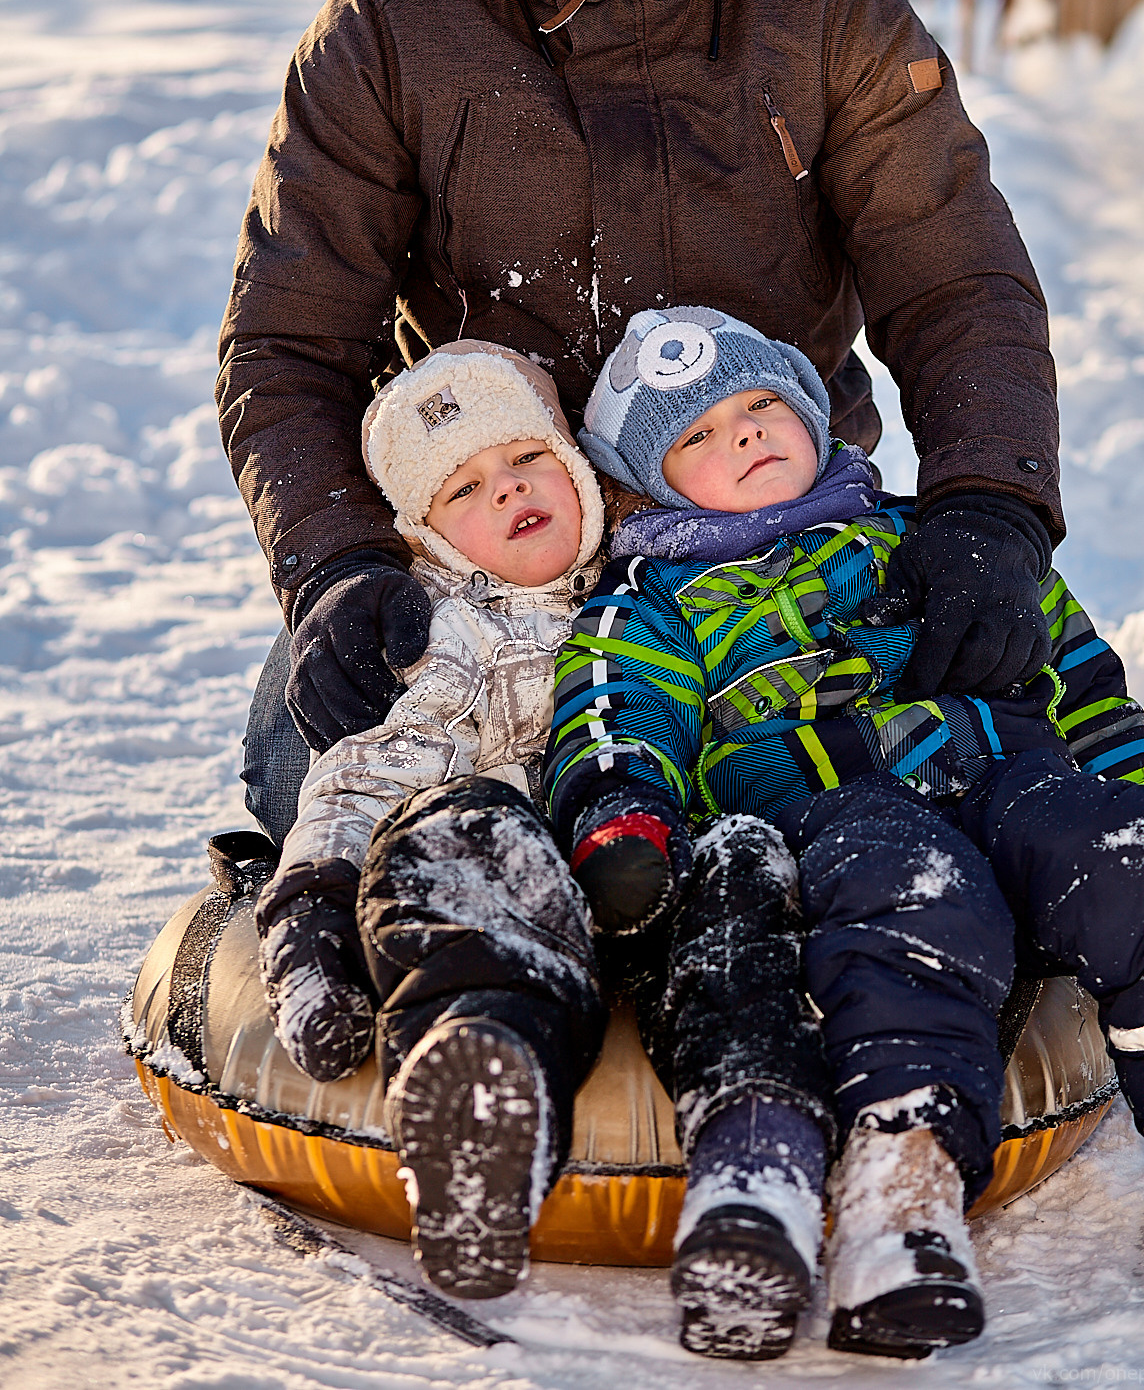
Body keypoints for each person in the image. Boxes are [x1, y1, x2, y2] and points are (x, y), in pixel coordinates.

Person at [217, 0, 1065, 840]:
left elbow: (955, 276)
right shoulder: (394, 20)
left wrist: (989, 503)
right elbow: (289, 336)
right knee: (307, 772)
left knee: (1004, 741)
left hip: (766, 541)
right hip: (492, 569)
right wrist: (336, 562)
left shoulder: (826, 3)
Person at [544, 304, 1144, 1360]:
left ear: (808, 412)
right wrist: (624, 821)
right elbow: (616, 717)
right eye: (697, 435)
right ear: (649, 481)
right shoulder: (649, 601)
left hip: (1008, 782)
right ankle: (903, 1188)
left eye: (758, 408)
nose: (742, 435)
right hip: (836, 818)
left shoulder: (917, 530)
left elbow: (1077, 675)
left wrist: (1137, 790)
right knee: (912, 893)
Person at [255, 337, 834, 1331]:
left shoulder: (662, 591)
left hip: (647, 869)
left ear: (578, 476)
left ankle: (755, 1164)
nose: (510, 491)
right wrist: (310, 914)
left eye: (529, 462)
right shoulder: (448, 634)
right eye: (466, 489)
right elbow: (365, 777)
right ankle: (486, 1094)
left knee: (740, 850)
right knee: (456, 829)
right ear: (429, 535)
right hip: (513, 890)